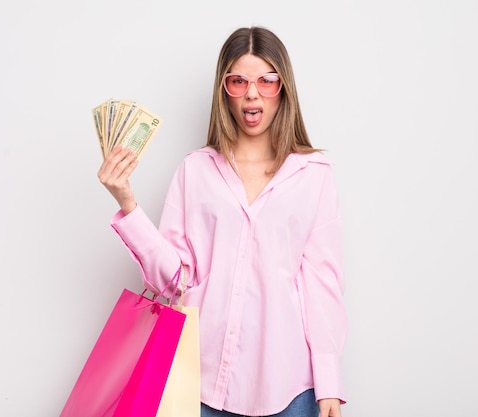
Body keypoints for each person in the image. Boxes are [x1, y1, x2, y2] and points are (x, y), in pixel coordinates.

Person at [98, 26, 347, 417]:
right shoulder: (195, 170)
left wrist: (329, 383)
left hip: (289, 385)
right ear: (224, 90)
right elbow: (174, 280)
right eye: (238, 81)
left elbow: (323, 285)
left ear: (283, 89)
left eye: (267, 81)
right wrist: (128, 204)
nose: (252, 93)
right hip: (201, 380)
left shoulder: (314, 175)